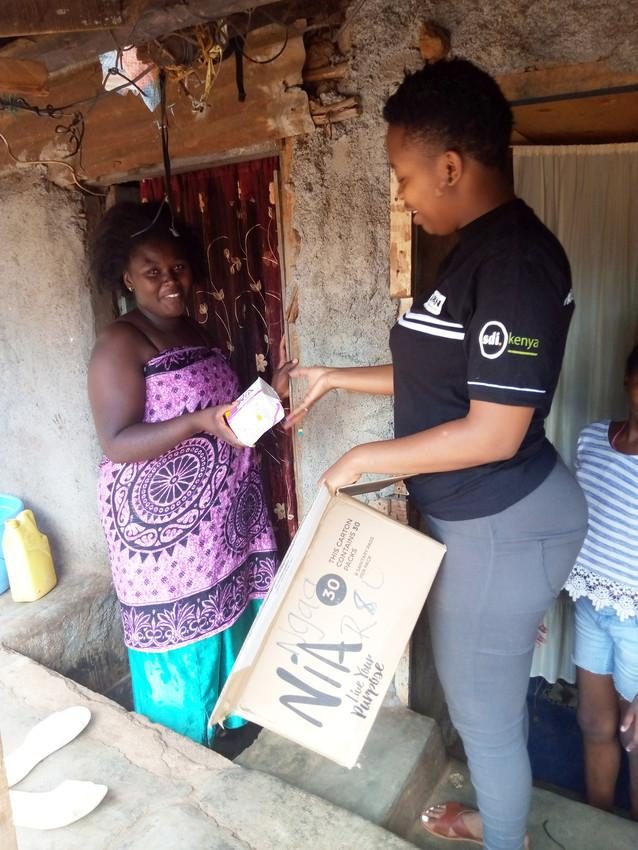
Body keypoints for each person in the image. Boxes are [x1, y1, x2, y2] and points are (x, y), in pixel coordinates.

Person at [287, 58, 588, 850]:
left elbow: (496, 430)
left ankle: (506, 839)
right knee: (490, 699)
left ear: (451, 166)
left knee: (481, 711)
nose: (405, 195)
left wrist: (365, 460)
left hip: (504, 526)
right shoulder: (475, 252)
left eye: (405, 176)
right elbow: (441, 379)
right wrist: (334, 380)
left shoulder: (514, 263)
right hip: (493, 520)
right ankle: (505, 816)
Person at [88, 201, 293, 748]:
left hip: (218, 524)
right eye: (152, 272)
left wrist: (273, 389)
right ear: (127, 277)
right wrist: (199, 422)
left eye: (177, 268)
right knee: (183, 651)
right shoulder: (120, 343)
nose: (169, 281)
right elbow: (117, 441)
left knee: (229, 619)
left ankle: (230, 727)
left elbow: (226, 421)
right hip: (164, 541)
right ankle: (182, 750)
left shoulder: (195, 331)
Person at [564, 346, 638, 818]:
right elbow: (572, 522)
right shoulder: (593, 439)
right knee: (594, 723)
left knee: (636, 738)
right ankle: (599, 822)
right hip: (590, 603)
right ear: (629, 381)